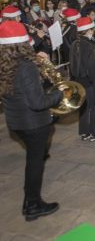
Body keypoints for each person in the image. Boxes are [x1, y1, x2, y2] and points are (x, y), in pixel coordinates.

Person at [0, 21, 62, 220]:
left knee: (34, 159)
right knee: (35, 164)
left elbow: (20, 90)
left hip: (16, 122)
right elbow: (38, 102)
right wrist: (58, 95)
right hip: (33, 123)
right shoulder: (25, 67)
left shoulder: (5, 63)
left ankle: (30, 200)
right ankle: (32, 204)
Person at [69, 17, 95, 141]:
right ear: (89, 30)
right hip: (89, 81)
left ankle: (83, 132)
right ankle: (94, 133)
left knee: (83, 107)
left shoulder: (74, 43)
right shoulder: (89, 46)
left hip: (78, 80)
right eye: (92, 29)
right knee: (94, 107)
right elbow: (91, 67)